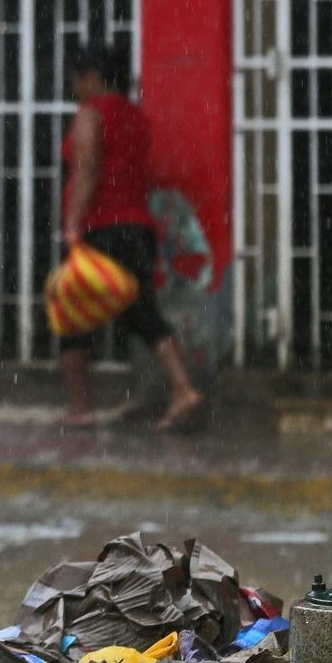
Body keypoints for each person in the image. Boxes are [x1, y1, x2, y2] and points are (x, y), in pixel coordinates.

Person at [57, 43, 205, 432]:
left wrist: (72, 224)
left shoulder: (91, 114)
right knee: (142, 311)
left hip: (101, 227)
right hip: (137, 228)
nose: (74, 87)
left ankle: (80, 407)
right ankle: (182, 388)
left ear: (91, 77)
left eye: (77, 79)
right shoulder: (135, 117)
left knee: (75, 314)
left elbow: (86, 170)